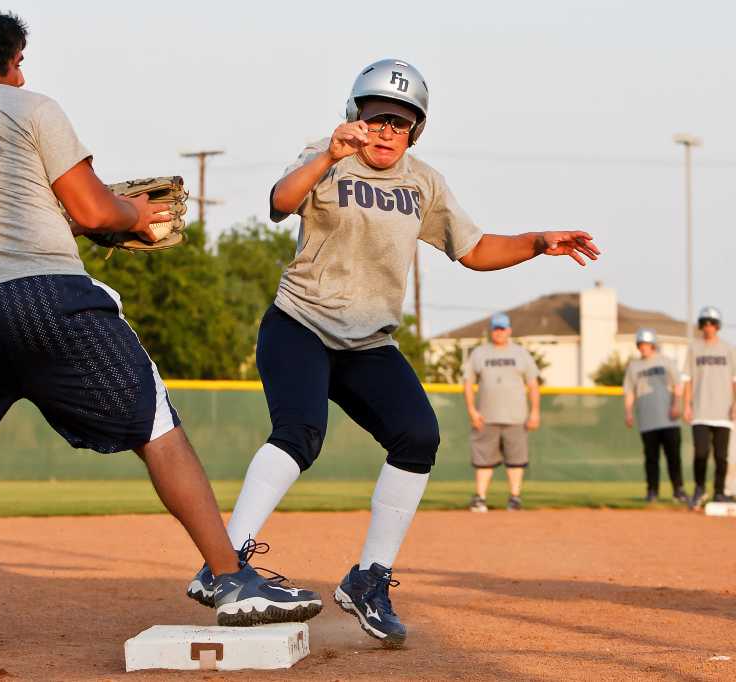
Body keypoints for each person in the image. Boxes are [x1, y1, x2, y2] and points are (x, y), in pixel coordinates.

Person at [0, 10, 320, 656]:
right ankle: (230, 579)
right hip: (50, 296)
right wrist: (134, 216)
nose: (22, 74)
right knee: (155, 426)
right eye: (16, 62)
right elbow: (92, 211)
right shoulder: (31, 107)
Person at [185, 58, 599, 649]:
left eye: (400, 123)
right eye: (377, 118)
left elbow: (475, 249)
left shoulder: (423, 182)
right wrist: (329, 155)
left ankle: (368, 580)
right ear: (355, 116)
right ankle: (224, 564)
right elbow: (279, 202)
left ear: (415, 131)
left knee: (418, 436)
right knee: (300, 433)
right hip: (300, 324)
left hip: (369, 342)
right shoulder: (327, 155)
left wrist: (537, 242)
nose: (386, 132)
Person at [463, 313, 540, 512]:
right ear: (491, 330)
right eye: (496, 328)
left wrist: (535, 412)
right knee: (483, 460)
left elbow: (533, 385)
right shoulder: (479, 353)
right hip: (485, 417)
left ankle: (515, 498)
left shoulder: (521, 353)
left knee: (516, 461)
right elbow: (468, 383)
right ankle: (480, 498)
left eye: (502, 328)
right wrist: (472, 410)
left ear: (509, 330)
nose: (499, 332)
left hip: (516, 417)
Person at [623, 328, 686, 503]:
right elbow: (629, 391)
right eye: (640, 344)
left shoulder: (665, 361)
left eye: (646, 344)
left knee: (673, 457)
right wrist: (628, 412)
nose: (643, 347)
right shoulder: (634, 366)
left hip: (669, 420)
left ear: (653, 345)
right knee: (651, 459)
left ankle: (678, 490)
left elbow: (678, 385)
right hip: (647, 421)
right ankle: (652, 492)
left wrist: (676, 405)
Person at [682, 306, 736, 508]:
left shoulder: (728, 349)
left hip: (723, 411)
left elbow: (734, 380)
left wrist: (735, 405)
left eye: (712, 323)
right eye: (704, 322)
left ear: (718, 325)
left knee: (721, 456)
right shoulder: (694, 348)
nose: (708, 326)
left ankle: (719, 492)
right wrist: (686, 405)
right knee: (701, 453)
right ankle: (699, 489)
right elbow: (687, 379)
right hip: (701, 411)